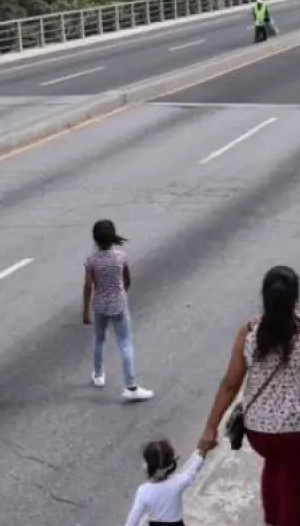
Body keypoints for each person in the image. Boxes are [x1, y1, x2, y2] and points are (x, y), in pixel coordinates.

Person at [198, 266, 300, 526]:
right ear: (295, 299)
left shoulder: (249, 333)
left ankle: (272, 520)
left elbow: (230, 384)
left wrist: (210, 428)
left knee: (274, 466)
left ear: (265, 299)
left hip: (261, 432)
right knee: (294, 486)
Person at [82, 219, 154, 402]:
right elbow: (127, 280)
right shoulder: (121, 257)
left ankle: (98, 375)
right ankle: (131, 386)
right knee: (125, 343)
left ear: (95, 239)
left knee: (99, 339)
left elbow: (88, 286)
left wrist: (85, 312)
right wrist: (120, 292)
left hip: (99, 305)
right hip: (119, 305)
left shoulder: (91, 260)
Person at [123, 439, 207, 526]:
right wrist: (203, 451)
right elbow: (192, 471)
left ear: (149, 467)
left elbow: (132, 521)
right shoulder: (177, 483)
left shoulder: (143, 491)